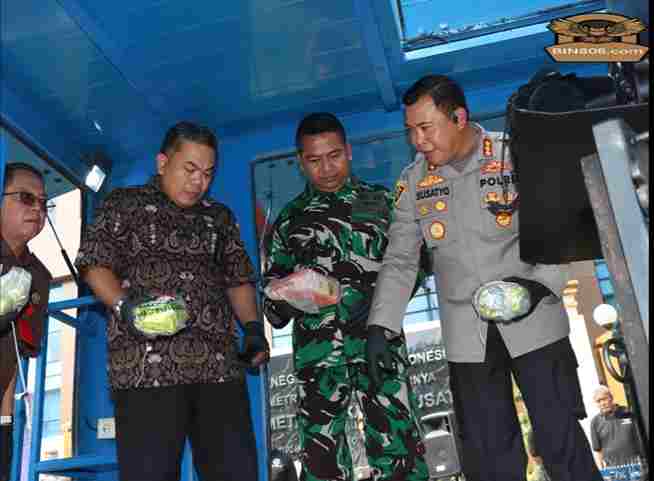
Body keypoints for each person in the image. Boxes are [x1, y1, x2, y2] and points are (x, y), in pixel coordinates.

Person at [366, 75, 604, 481]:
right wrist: (381, 325)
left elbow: (561, 226)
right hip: (467, 340)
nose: (418, 141)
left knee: (560, 441)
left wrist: (539, 285)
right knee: (490, 455)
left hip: (536, 322)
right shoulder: (413, 181)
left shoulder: (515, 154)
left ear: (459, 118)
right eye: (411, 131)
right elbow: (401, 259)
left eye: (425, 128)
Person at [74, 121, 269, 481]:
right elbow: (93, 263)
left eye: (207, 174)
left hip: (218, 368)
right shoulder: (124, 203)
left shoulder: (219, 217)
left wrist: (254, 328)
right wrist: (125, 307)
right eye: (189, 169)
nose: (198, 182)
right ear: (163, 163)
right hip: (146, 370)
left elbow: (238, 278)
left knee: (237, 473)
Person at [262, 113, 428, 481]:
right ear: (300, 161)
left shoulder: (383, 203)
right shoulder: (289, 221)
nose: (326, 169)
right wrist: (288, 296)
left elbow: (417, 262)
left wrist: (384, 302)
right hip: (319, 356)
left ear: (349, 151)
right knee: (322, 461)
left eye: (334, 155)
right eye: (314, 160)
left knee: (399, 450)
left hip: (379, 345)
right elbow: (273, 298)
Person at [1, 163, 52, 481]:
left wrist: (5, 421)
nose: (37, 208)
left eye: (44, 202)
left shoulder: (38, 276)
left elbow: (15, 353)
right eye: (25, 197)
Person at [590, 385, 643, 469]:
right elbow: (598, 450)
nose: (602, 403)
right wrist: (602, 469)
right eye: (598, 401)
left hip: (636, 465)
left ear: (611, 397)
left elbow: (641, 437)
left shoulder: (628, 413)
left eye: (604, 399)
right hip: (614, 469)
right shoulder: (595, 422)